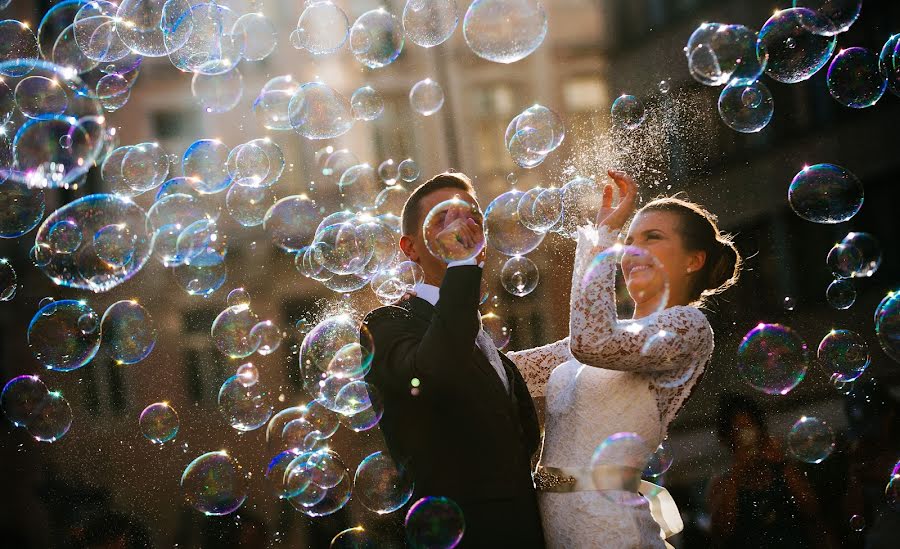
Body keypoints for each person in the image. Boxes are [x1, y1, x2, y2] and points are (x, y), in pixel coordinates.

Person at [511, 170, 740, 548]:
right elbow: (509, 372)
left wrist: (602, 237)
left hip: (614, 534)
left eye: (653, 237)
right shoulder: (610, 338)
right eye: (628, 240)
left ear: (693, 260)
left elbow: (592, 341)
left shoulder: (689, 328)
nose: (632, 250)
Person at [363, 172, 548, 547]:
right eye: (443, 219)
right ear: (410, 248)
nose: (462, 227)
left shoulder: (485, 344)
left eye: (471, 217)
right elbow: (433, 373)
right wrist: (462, 267)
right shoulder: (386, 325)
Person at [707, 393, 838, 548]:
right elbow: (722, 532)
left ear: (760, 429)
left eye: (749, 426)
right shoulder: (722, 484)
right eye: (738, 429)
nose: (746, 435)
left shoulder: (783, 468)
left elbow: (812, 510)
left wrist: (782, 463)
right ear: (728, 438)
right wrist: (737, 472)